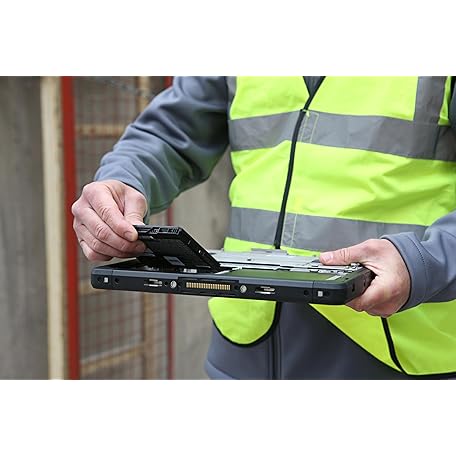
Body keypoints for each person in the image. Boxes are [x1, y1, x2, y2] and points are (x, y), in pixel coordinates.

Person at [72, 76, 456, 379]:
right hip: (243, 349)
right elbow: (171, 129)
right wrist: (125, 178)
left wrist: (424, 262)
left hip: (397, 355)